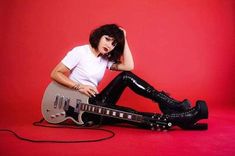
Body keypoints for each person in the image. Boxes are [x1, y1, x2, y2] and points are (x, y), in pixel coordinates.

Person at [51, 24, 208, 130]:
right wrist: (79, 86)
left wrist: (124, 39)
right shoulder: (80, 52)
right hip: (81, 107)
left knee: (125, 76)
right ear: (99, 36)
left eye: (113, 44)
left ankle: (176, 106)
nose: (109, 45)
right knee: (128, 112)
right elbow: (55, 73)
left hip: (96, 100)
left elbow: (129, 67)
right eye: (107, 39)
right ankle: (180, 118)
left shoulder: (104, 59)